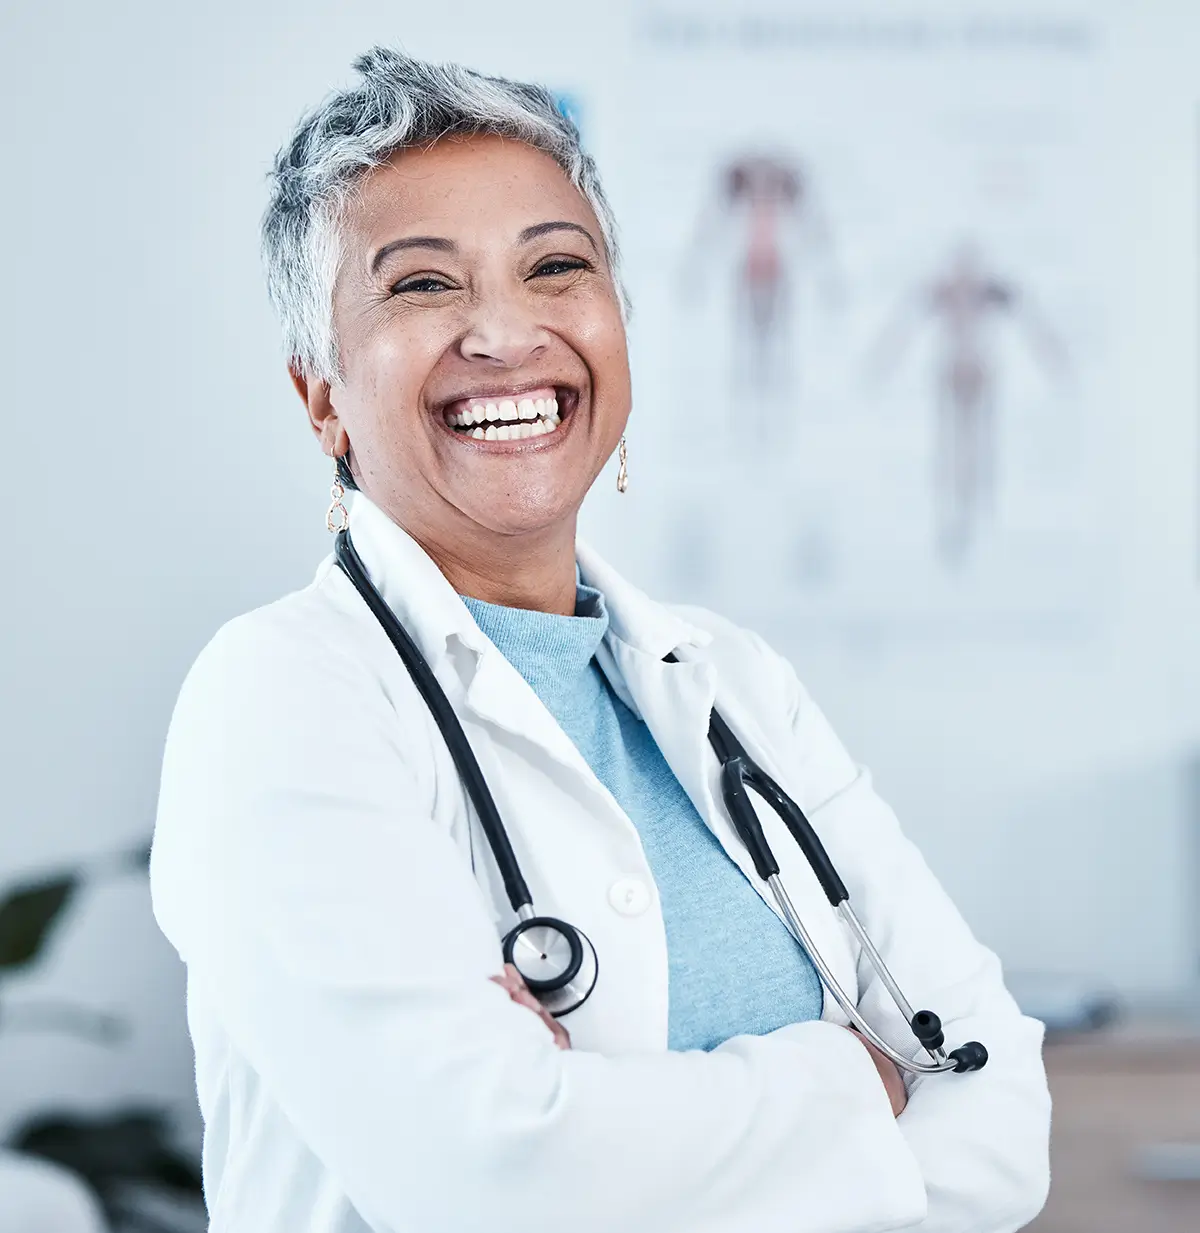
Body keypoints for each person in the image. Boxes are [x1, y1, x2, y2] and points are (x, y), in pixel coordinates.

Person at [150, 47, 1051, 1233]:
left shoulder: (734, 683)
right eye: (423, 286)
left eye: (556, 267)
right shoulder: (280, 697)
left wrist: (597, 1116)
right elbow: (493, 1181)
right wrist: (859, 1082)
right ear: (320, 395)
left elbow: (1001, 1132)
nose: (503, 332)